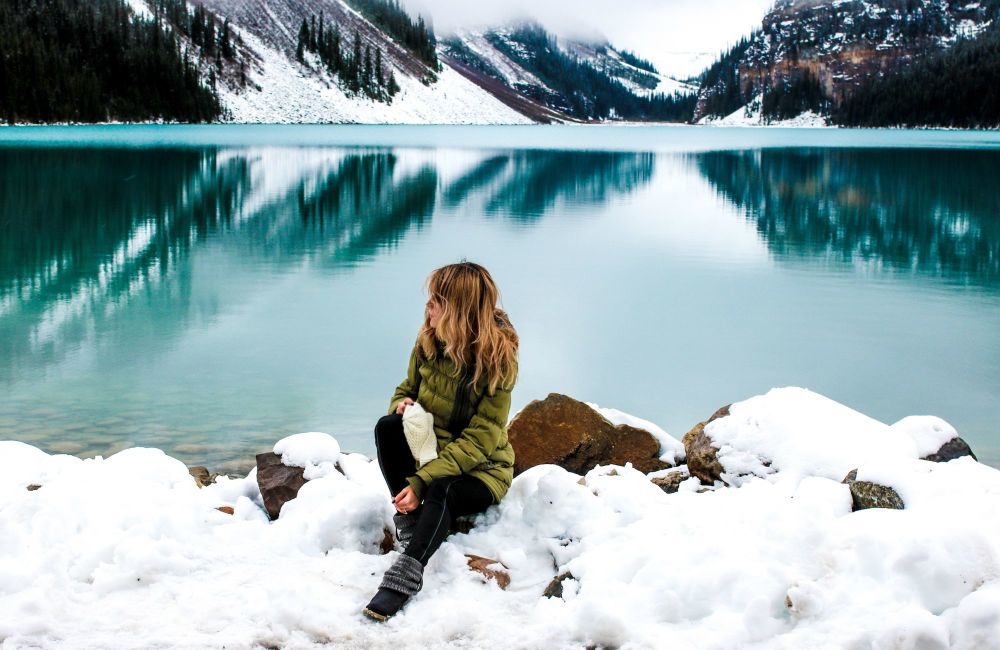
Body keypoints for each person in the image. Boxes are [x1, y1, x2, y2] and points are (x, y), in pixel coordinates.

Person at [363, 261, 518, 622]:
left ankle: (407, 571)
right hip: (432, 450)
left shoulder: (497, 361)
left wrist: (420, 480)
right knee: (388, 427)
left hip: (482, 469)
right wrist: (401, 405)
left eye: (437, 300)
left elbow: (480, 442)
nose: (428, 306)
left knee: (442, 490)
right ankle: (417, 523)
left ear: (460, 310)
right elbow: (407, 389)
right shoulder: (428, 340)